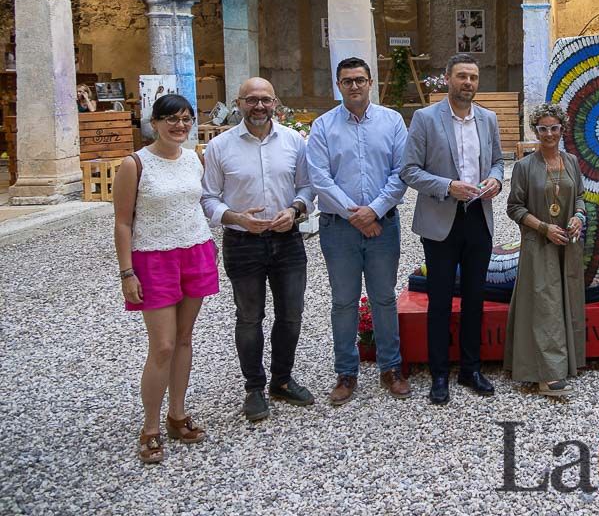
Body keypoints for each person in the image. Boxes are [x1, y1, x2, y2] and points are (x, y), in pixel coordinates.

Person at [201, 77, 315, 422]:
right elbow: (207, 197)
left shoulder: (294, 141)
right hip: (242, 242)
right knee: (249, 318)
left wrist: (295, 210)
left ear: (275, 102)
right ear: (238, 103)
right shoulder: (219, 147)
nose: (259, 106)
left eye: (265, 99)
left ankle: (281, 379)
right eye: (251, 100)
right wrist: (233, 217)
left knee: (291, 315)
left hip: (287, 240)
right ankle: (254, 387)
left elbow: (308, 187)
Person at [113, 94, 218, 464]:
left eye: (186, 119)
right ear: (154, 122)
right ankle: (150, 426)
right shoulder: (135, 164)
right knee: (162, 345)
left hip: (195, 250)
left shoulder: (194, 158)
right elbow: (123, 222)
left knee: (185, 338)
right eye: (171, 119)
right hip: (152, 257)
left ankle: (177, 414)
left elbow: (200, 203)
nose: (180, 126)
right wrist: (127, 272)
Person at [401, 53, 504, 405]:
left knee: (476, 296)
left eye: (473, 77)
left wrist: (495, 180)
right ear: (447, 79)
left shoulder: (488, 119)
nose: (468, 83)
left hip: (479, 217)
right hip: (440, 220)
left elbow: (498, 162)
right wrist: (447, 186)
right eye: (461, 76)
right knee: (441, 300)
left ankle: (471, 369)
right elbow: (409, 170)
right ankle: (439, 373)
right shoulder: (426, 119)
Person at [307, 57, 410, 405]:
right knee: (343, 302)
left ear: (370, 83)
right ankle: (346, 373)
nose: (354, 86)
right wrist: (356, 215)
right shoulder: (322, 126)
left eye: (360, 80)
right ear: (338, 85)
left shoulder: (392, 121)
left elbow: (401, 173)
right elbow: (319, 178)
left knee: (384, 298)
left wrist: (375, 211)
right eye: (347, 80)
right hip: (339, 229)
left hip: (383, 225)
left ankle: (391, 368)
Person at [504, 103, 586, 397]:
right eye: (543, 129)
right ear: (535, 131)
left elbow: (579, 197)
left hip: (567, 243)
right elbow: (514, 208)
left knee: (564, 300)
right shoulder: (524, 167)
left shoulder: (572, 162)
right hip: (539, 243)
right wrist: (544, 228)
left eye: (554, 128)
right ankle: (545, 374)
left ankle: (565, 363)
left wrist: (578, 217)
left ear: (562, 129)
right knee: (545, 306)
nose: (549, 133)